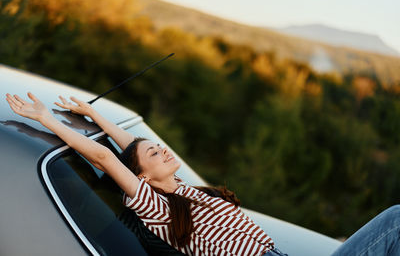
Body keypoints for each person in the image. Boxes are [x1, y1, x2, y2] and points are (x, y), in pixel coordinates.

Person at [5, 92, 400, 256]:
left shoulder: (187, 191)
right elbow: (109, 161)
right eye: (154, 154)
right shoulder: (157, 209)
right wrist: (46, 119)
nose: (161, 148)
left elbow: (129, 148)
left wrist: (96, 116)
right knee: (396, 219)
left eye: (157, 145)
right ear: (142, 180)